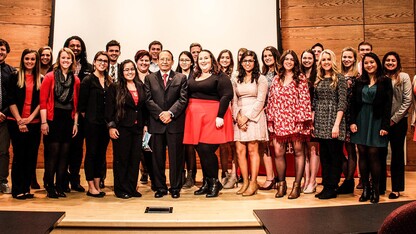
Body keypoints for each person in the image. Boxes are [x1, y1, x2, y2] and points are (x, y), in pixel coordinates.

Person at [183, 49, 233, 198]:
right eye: (200, 58)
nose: (203, 61)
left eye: (206, 58)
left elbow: (227, 95)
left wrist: (220, 115)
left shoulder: (220, 76)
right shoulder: (195, 75)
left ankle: (214, 182)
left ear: (212, 60)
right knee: (199, 148)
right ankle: (206, 182)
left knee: (206, 149)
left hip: (213, 116)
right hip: (195, 117)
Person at [267, 50, 312, 199]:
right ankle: (281, 184)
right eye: (286, 59)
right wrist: (271, 120)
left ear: (295, 62)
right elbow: (271, 101)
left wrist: (301, 121)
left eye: (292, 60)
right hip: (279, 120)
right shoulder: (276, 79)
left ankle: (297, 186)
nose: (289, 62)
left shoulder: (300, 78)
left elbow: (305, 101)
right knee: (279, 153)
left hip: (296, 120)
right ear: (282, 61)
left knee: (299, 152)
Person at [144, 50, 188, 199]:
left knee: (176, 158)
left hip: (174, 123)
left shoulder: (180, 78)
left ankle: (175, 187)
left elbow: (183, 99)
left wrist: (170, 113)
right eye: (162, 59)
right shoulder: (149, 78)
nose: (164, 61)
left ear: (172, 61)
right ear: (158, 60)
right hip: (156, 123)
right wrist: (160, 114)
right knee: (157, 158)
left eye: (167, 59)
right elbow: (148, 99)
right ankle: (160, 187)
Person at [350, 52, 393, 203]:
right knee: (362, 154)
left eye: (372, 62)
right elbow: (353, 104)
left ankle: (376, 189)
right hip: (361, 119)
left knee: (374, 154)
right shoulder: (359, 81)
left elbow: (388, 105)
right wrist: (352, 122)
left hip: (377, 120)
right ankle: (366, 189)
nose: (369, 65)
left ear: (377, 63)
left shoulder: (385, 81)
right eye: (366, 63)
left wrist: (385, 125)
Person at [40, 48, 80, 198]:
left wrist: (75, 124)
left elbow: (76, 105)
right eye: (63, 58)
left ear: (72, 61)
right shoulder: (50, 77)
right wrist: (44, 123)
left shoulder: (75, 79)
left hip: (68, 119)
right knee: (53, 154)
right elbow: (43, 102)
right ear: (59, 59)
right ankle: (50, 186)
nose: (66, 60)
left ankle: (60, 185)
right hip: (52, 118)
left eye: (68, 58)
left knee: (64, 154)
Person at [105, 59, 146, 199]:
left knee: (134, 159)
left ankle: (131, 188)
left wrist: (144, 125)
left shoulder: (140, 86)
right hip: (121, 128)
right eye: (126, 70)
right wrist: (111, 126)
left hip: (137, 128)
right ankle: (120, 189)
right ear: (122, 72)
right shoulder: (115, 87)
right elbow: (109, 109)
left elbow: (143, 108)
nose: (130, 72)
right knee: (121, 159)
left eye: (132, 69)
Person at [232, 50, 268, 196]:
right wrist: (238, 117)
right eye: (245, 60)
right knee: (240, 151)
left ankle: (253, 182)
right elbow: (234, 100)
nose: (247, 63)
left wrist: (246, 117)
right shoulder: (236, 78)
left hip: (254, 116)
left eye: (250, 61)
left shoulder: (261, 78)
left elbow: (261, 101)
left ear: (255, 62)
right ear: (241, 62)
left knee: (253, 150)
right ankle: (245, 182)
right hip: (239, 115)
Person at [313, 49, 347, 200]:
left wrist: (336, 125)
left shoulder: (339, 78)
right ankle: (326, 185)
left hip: (334, 120)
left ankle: (333, 187)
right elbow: (315, 102)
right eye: (323, 59)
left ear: (332, 61)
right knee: (325, 156)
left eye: (328, 59)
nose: (326, 62)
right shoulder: (318, 78)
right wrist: (313, 122)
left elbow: (342, 103)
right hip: (320, 120)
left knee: (335, 156)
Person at [7, 49, 41, 199]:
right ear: (23, 60)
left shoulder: (40, 78)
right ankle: (17, 189)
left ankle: (26, 189)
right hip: (15, 122)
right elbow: (10, 100)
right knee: (19, 156)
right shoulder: (14, 76)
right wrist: (20, 120)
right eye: (27, 59)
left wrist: (30, 118)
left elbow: (41, 103)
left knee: (31, 156)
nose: (29, 62)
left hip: (34, 123)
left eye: (33, 59)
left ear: (36, 61)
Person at [78, 51, 112, 198]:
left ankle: (98, 185)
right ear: (94, 62)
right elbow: (82, 106)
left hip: (105, 125)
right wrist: (90, 120)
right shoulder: (87, 80)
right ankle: (91, 186)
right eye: (100, 60)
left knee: (101, 155)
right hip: (92, 124)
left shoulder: (109, 81)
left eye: (105, 61)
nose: (102, 63)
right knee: (91, 153)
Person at [63, 36, 93, 192]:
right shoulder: (61, 67)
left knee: (77, 149)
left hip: (82, 115)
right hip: (63, 113)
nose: (75, 48)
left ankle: (74, 179)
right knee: (63, 148)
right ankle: (61, 180)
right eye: (72, 45)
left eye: (78, 46)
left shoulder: (89, 67)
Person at [382, 51, 412, 199]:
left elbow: (407, 101)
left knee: (397, 154)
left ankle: (396, 188)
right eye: (387, 60)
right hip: (381, 122)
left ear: (398, 62)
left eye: (393, 60)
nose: (390, 63)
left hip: (398, 122)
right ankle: (380, 187)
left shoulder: (404, 77)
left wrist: (393, 119)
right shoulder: (381, 77)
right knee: (380, 154)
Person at [337, 47, 360, 194]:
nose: (346, 59)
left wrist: (354, 120)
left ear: (354, 59)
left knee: (351, 149)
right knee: (337, 150)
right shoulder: (337, 75)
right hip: (339, 116)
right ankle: (346, 178)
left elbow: (357, 100)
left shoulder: (358, 77)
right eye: (344, 57)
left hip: (351, 116)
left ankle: (349, 180)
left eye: (349, 57)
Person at [259, 46, 280, 191]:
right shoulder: (262, 75)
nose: (267, 58)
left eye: (269, 55)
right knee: (265, 146)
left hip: (279, 114)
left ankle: (280, 176)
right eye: (265, 56)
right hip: (263, 113)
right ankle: (270, 177)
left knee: (278, 148)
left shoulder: (281, 73)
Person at [175, 51, 197, 188]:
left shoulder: (196, 76)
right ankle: (180, 174)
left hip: (192, 112)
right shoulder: (175, 76)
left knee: (190, 146)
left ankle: (191, 174)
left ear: (191, 62)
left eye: (186, 60)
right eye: (181, 60)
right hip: (177, 113)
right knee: (179, 145)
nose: (184, 62)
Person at [300, 49, 320, 194]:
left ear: (314, 60)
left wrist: (313, 115)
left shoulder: (318, 75)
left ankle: (313, 181)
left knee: (313, 149)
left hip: (313, 116)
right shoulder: (298, 76)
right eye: (304, 58)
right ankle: (306, 179)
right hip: (300, 117)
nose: (307, 60)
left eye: (309, 58)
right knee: (304, 150)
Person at [217, 49, 238, 188]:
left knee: (234, 146)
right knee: (223, 145)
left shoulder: (236, 75)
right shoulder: (216, 74)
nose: (225, 60)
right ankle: (224, 173)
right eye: (222, 57)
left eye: (227, 58)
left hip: (234, 110)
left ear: (231, 60)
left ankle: (235, 174)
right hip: (221, 111)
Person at [0, 39, 17, 194]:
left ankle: (3, 181)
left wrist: (4, 112)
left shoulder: (11, 72)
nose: (0, 52)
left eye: (3, 49)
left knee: (3, 151)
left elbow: (13, 96)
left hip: (4, 118)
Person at [134, 49, 153, 186]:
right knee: (137, 148)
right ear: (136, 61)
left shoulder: (153, 77)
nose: (144, 62)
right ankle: (143, 171)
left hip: (151, 117)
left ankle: (151, 174)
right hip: (135, 118)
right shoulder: (130, 76)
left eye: (146, 60)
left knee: (149, 148)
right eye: (141, 60)